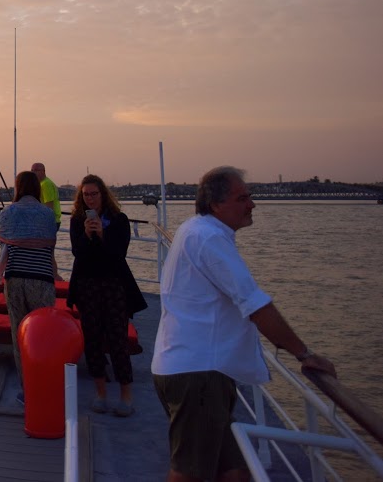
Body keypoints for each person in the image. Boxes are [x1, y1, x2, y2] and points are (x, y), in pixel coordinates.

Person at [153, 166, 336, 482]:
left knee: (236, 471)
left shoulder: (195, 229)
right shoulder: (209, 238)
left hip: (196, 369)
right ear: (216, 204)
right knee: (190, 473)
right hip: (198, 374)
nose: (252, 204)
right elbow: (256, 306)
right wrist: (304, 355)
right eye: (243, 198)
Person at [67, 174, 147, 417]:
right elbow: (77, 252)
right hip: (87, 285)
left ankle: (126, 395)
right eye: (86, 194)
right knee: (92, 340)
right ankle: (100, 393)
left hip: (114, 285)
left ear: (103, 194)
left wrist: (103, 234)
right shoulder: (77, 221)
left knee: (117, 339)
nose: (90, 198)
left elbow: (118, 253)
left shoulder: (119, 220)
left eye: (94, 193)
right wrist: (86, 233)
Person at [0, 170, 59, 392]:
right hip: (42, 279)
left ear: (18, 188)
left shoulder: (7, 213)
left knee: (19, 333)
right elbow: (50, 247)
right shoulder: (48, 215)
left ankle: (27, 386)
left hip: (15, 278)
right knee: (44, 333)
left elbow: (4, 247)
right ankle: (45, 381)